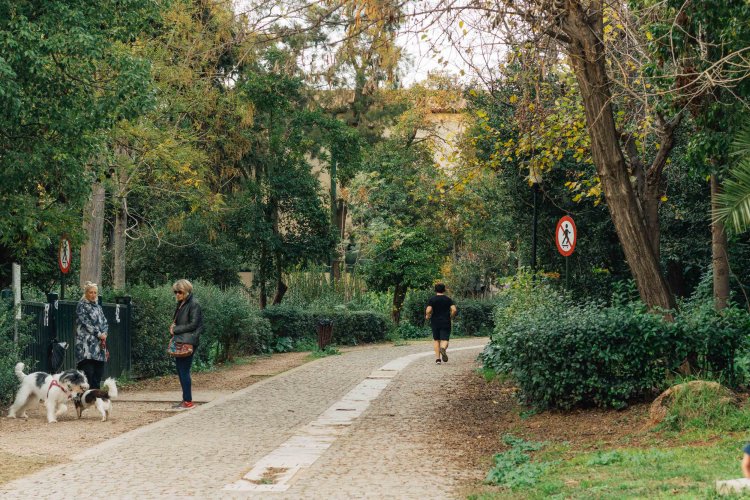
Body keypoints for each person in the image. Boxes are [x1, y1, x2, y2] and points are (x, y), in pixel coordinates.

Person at [170, 279, 203, 410]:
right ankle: (186, 399)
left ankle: (188, 401)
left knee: (184, 370)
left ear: (187, 291)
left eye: (180, 292)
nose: (177, 294)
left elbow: (194, 324)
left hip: (188, 341)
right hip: (181, 340)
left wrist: (176, 329)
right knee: (180, 370)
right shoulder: (181, 304)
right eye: (175, 292)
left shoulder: (194, 304)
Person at [75, 282, 108, 389]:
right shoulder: (81, 306)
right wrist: (99, 334)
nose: (93, 295)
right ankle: (84, 398)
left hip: (99, 346)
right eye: (91, 292)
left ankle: (96, 398)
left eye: (95, 292)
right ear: (86, 293)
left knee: (98, 372)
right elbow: (86, 323)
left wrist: (105, 333)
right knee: (87, 373)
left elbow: (104, 322)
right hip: (85, 345)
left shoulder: (98, 307)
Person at [425, 283, 457, 364]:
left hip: (435, 321)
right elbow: (454, 309)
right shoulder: (448, 299)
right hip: (446, 321)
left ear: (435, 290)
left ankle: (438, 359)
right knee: (445, 339)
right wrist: (451, 316)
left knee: (436, 340)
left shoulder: (432, 299)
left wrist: (428, 316)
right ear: (444, 290)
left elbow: (428, 310)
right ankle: (442, 348)